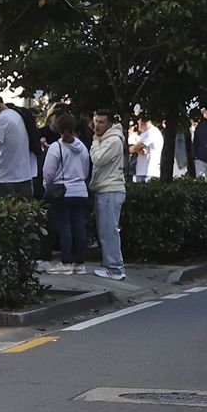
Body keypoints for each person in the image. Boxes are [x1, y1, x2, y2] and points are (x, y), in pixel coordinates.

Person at [41, 107, 92, 274]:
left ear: (58, 127)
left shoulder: (56, 147)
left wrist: (48, 184)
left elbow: (48, 172)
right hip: (81, 191)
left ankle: (66, 262)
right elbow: (85, 171)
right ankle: (80, 263)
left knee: (64, 227)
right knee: (79, 226)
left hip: (62, 192)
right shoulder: (83, 147)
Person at [89, 107, 128, 281]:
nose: (97, 125)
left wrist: (95, 142)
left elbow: (98, 159)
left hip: (110, 188)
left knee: (108, 230)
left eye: (101, 122)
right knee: (105, 230)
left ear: (110, 123)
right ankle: (112, 265)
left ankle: (115, 267)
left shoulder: (112, 141)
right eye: (96, 121)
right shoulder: (107, 138)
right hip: (106, 188)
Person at [130, 112, 164, 184]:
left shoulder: (152, 132)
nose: (138, 124)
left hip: (149, 172)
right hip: (142, 170)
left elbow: (134, 148)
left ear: (143, 122)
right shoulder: (146, 133)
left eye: (139, 122)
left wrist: (134, 148)